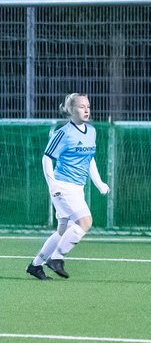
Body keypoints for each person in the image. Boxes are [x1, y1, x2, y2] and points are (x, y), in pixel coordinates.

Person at [26, 93, 111, 280]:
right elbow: (47, 158)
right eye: (81, 106)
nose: (86, 109)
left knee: (63, 230)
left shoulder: (91, 131)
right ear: (71, 110)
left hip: (77, 188)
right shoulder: (63, 133)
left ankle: (35, 265)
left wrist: (99, 183)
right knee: (85, 222)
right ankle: (56, 258)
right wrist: (52, 185)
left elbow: (89, 159)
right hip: (63, 186)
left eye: (88, 106)